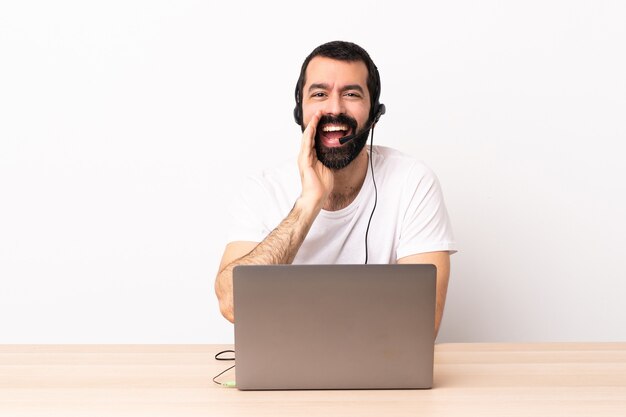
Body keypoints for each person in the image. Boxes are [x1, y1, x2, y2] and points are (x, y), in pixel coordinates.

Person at [214, 41, 456, 337]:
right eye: (319, 94)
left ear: (374, 112)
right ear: (299, 110)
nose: (334, 108)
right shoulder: (263, 190)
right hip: (285, 374)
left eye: (351, 94)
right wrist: (307, 205)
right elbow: (232, 303)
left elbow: (422, 322)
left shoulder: (413, 181)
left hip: (381, 370)